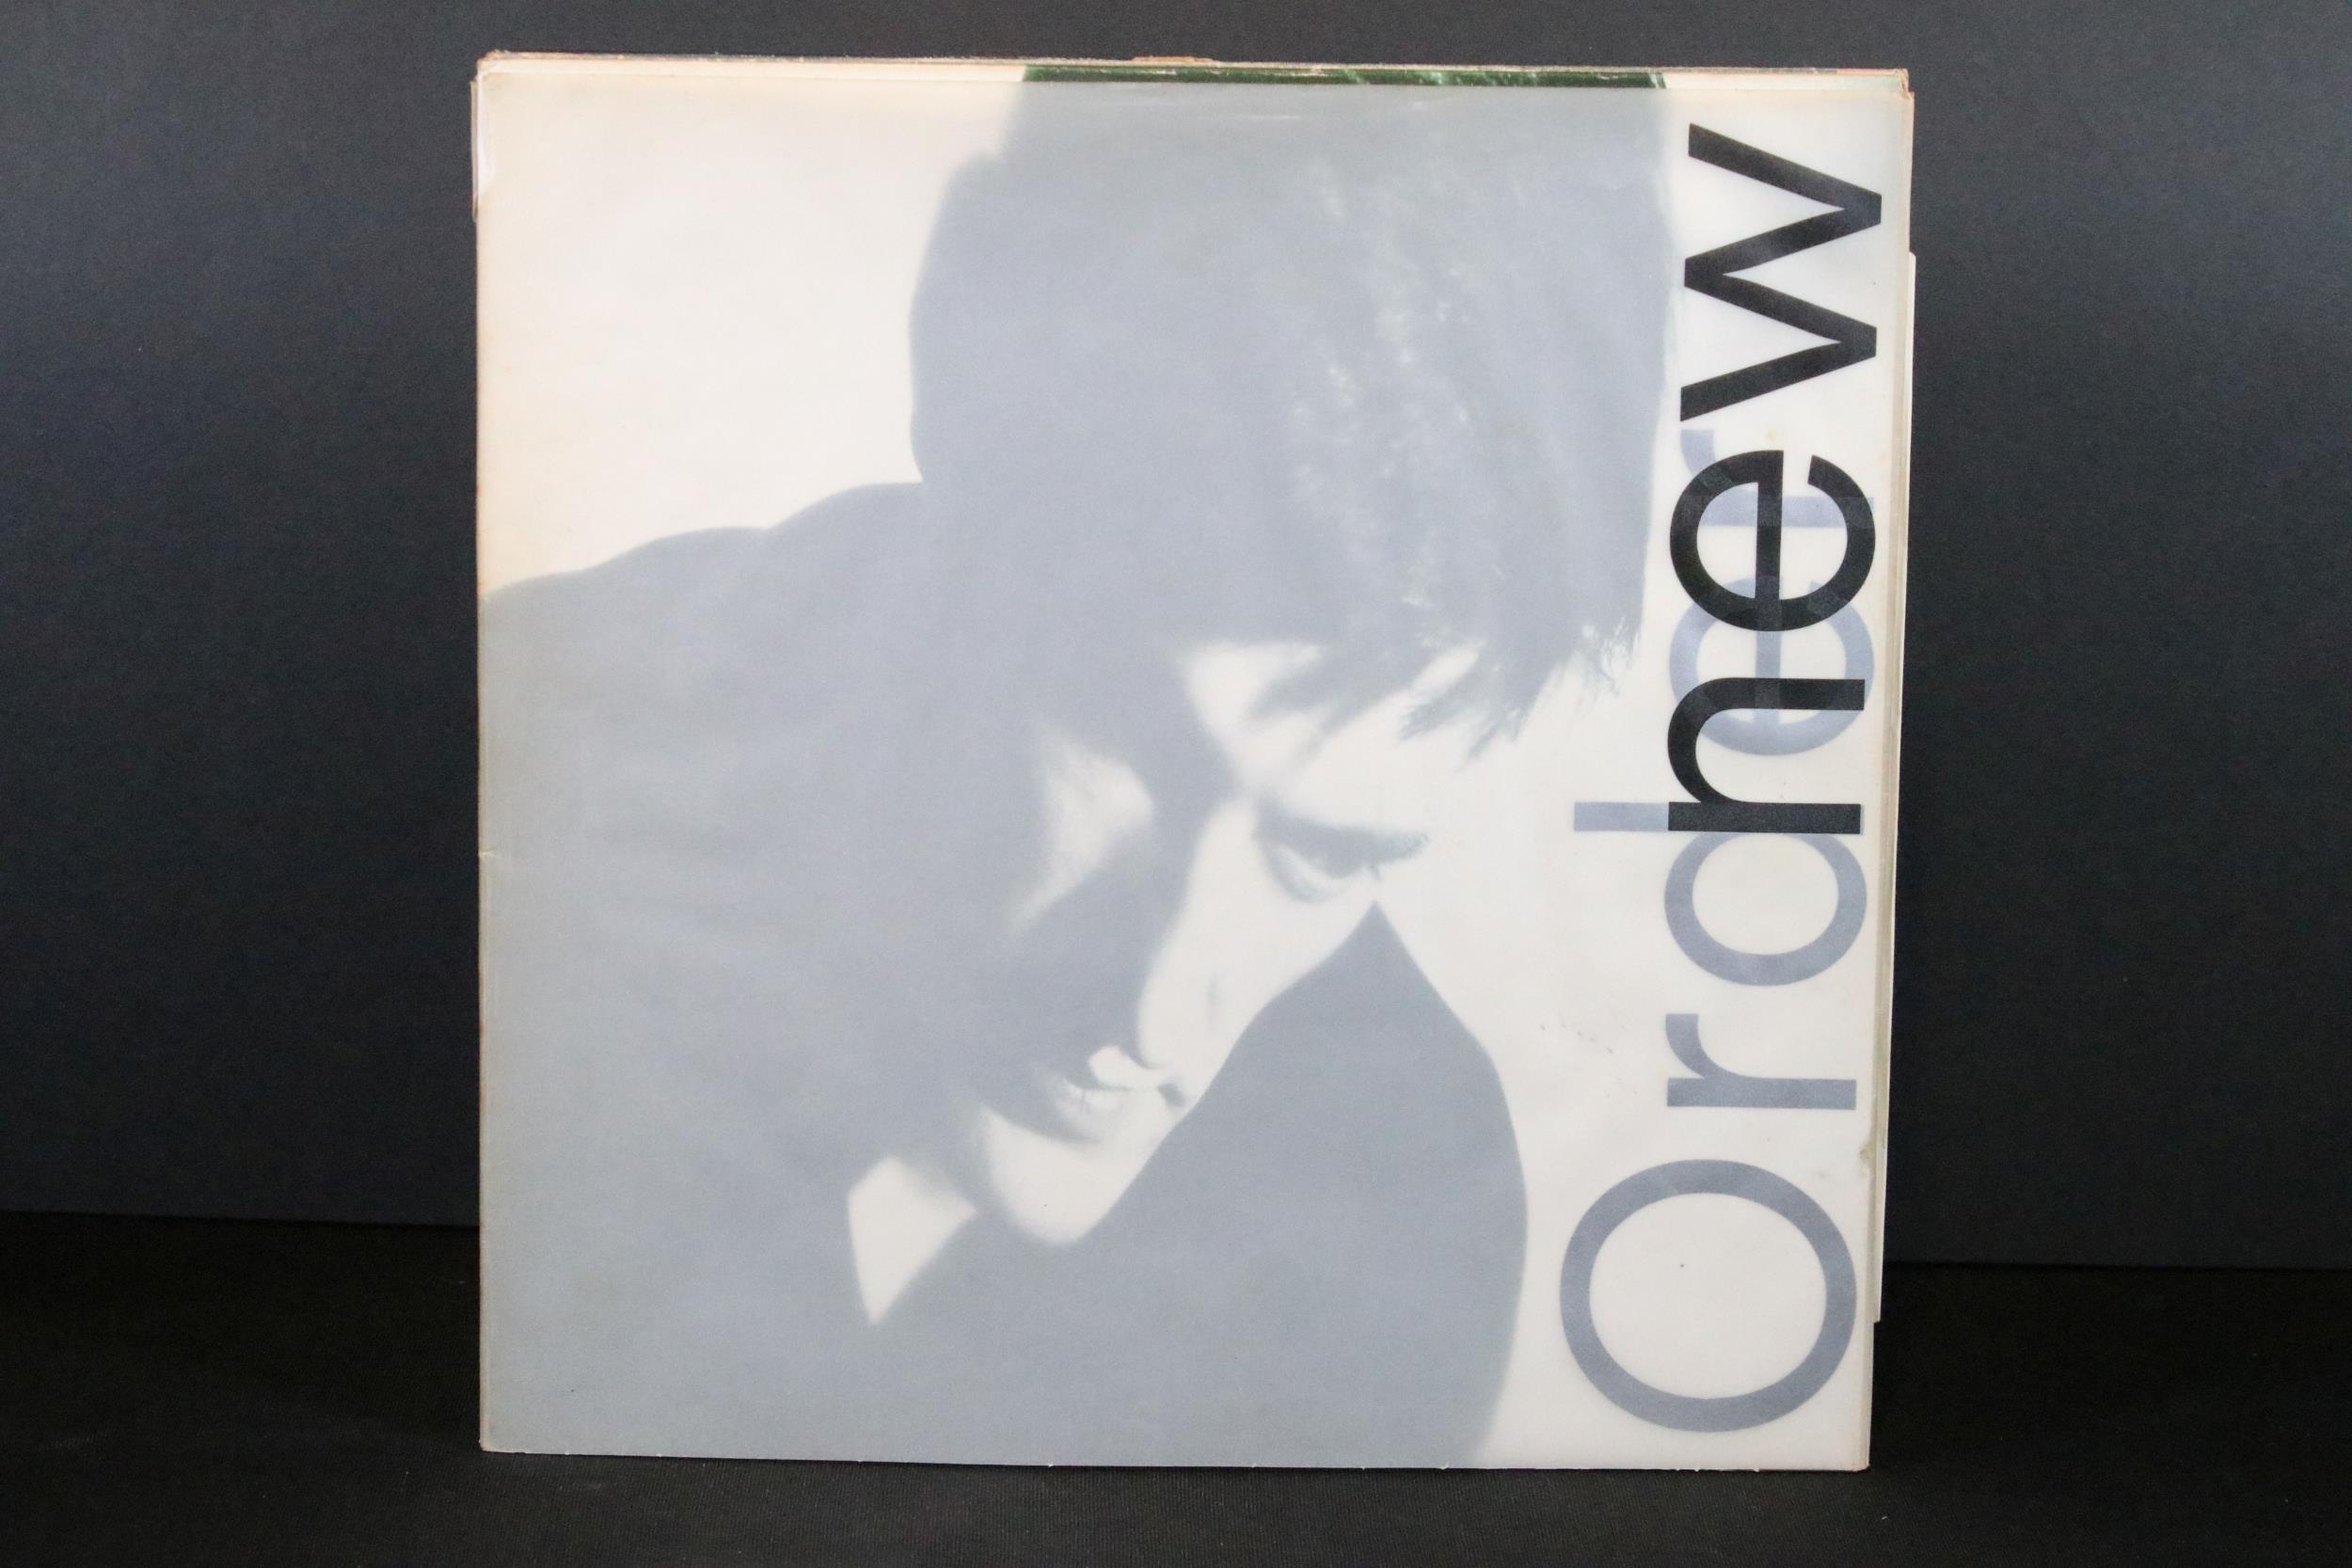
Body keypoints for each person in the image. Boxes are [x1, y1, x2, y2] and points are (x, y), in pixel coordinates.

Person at [480, 82, 1671, 1465]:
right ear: (963, 358)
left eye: (1326, 855)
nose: (1154, 1013)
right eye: (1118, 747)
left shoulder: (1398, 1205)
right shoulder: (513, 799)